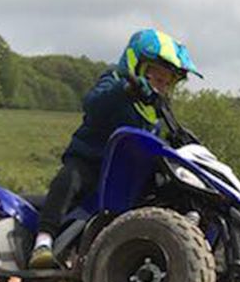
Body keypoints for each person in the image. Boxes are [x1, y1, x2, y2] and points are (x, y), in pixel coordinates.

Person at [29, 28, 203, 268]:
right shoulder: (115, 79)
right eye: (157, 78)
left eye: (166, 82)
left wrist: (182, 141)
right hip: (91, 161)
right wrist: (125, 91)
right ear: (138, 67)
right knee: (69, 179)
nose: (161, 86)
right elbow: (93, 104)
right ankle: (43, 241)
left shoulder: (158, 111)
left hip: (127, 177)